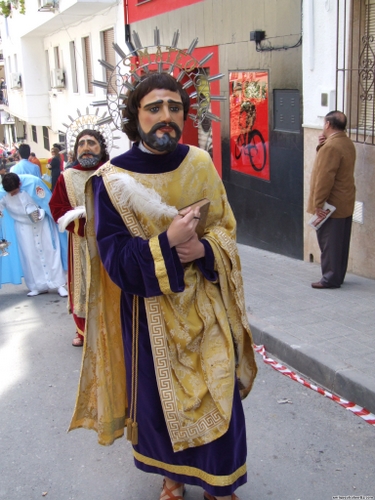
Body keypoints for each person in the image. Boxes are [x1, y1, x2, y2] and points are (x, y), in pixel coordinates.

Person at [70, 73, 257, 500]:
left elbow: (225, 227)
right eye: (154, 108)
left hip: (206, 308)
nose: (166, 117)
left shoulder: (200, 163)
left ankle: (219, 484)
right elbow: (115, 259)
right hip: (148, 315)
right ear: (135, 117)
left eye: (174, 108)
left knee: (218, 394)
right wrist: (168, 244)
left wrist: (205, 250)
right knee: (157, 409)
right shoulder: (111, 180)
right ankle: (172, 479)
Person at [49, 129, 109, 347]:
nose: (85, 148)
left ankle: (110, 328)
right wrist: (83, 223)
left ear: (101, 148)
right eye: (81, 144)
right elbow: (57, 207)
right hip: (80, 240)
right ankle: (82, 330)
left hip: (109, 238)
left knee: (108, 282)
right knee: (82, 283)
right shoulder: (67, 176)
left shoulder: (111, 172)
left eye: (91, 143)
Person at [307, 110, 356, 289]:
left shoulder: (331, 147)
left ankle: (330, 279)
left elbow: (324, 177)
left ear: (327, 124)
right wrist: (321, 146)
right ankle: (337, 276)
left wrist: (318, 203)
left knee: (329, 242)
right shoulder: (346, 142)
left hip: (331, 205)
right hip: (345, 201)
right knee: (340, 242)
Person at [0, 173, 68, 297]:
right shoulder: (3, 193)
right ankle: (37, 285)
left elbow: (48, 202)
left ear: (19, 184)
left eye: (15, 192)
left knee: (50, 252)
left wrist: (43, 211)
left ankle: (59, 284)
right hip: (23, 227)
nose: (12, 195)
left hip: (42, 224)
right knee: (30, 256)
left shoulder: (33, 183)